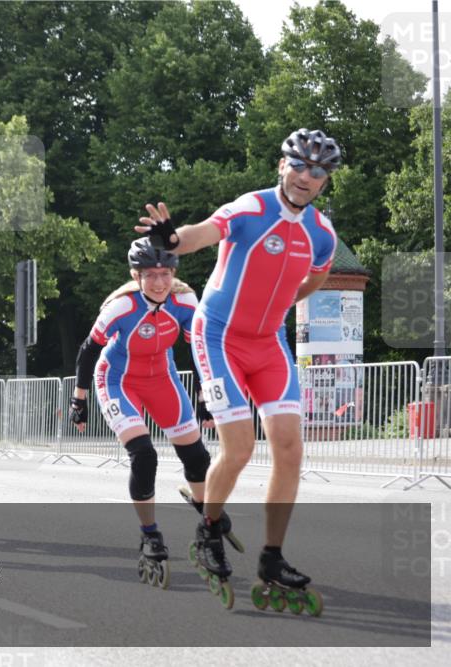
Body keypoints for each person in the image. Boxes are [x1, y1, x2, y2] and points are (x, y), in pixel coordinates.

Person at [134, 127, 338, 612]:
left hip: (269, 343)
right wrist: (172, 240)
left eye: (318, 171)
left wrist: (286, 301)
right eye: (299, 165)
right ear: (281, 165)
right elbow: (200, 234)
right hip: (220, 336)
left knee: (290, 448)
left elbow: (318, 274)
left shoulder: (322, 233)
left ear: (325, 181)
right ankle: (209, 530)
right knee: (241, 447)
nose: (306, 177)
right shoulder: (252, 207)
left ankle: (272, 557)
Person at [69, 238, 238, 589]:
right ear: (136, 275)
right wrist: (79, 399)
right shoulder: (121, 307)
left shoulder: (185, 301)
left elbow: (203, 350)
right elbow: (88, 351)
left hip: (163, 379)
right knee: (144, 455)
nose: (159, 282)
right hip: (117, 380)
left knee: (197, 458)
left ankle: (207, 523)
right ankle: (150, 534)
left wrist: (206, 396)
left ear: (173, 273)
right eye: (150, 275)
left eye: (165, 273)